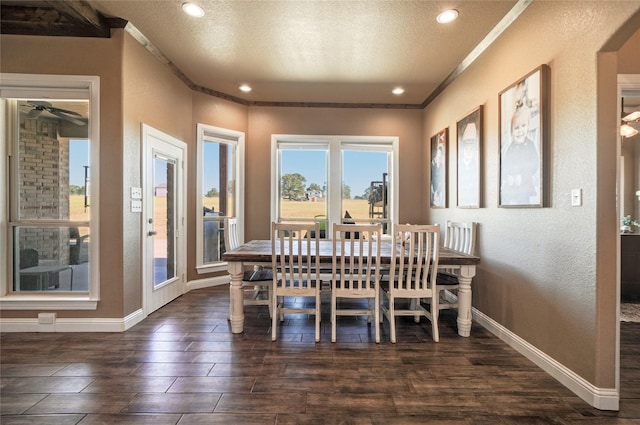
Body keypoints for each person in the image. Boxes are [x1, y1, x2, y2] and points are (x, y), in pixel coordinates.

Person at [501, 105, 539, 205]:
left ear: (528, 127)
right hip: (511, 183)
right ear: (512, 131)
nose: (520, 131)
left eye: (523, 126)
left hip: (525, 182)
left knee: (523, 198)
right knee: (504, 194)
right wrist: (507, 177)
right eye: (516, 128)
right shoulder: (510, 147)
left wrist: (522, 177)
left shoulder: (530, 145)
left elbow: (534, 165)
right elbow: (505, 165)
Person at [458, 122, 479, 207]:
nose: (469, 152)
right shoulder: (459, 166)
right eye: (467, 148)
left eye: (471, 149)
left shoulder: (476, 165)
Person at [430, 142, 445, 207]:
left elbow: (442, 182)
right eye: (438, 155)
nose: (439, 158)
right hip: (433, 189)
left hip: (439, 191)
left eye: (440, 156)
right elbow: (432, 180)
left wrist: (437, 191)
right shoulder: (433, 167)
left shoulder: (443, 168)